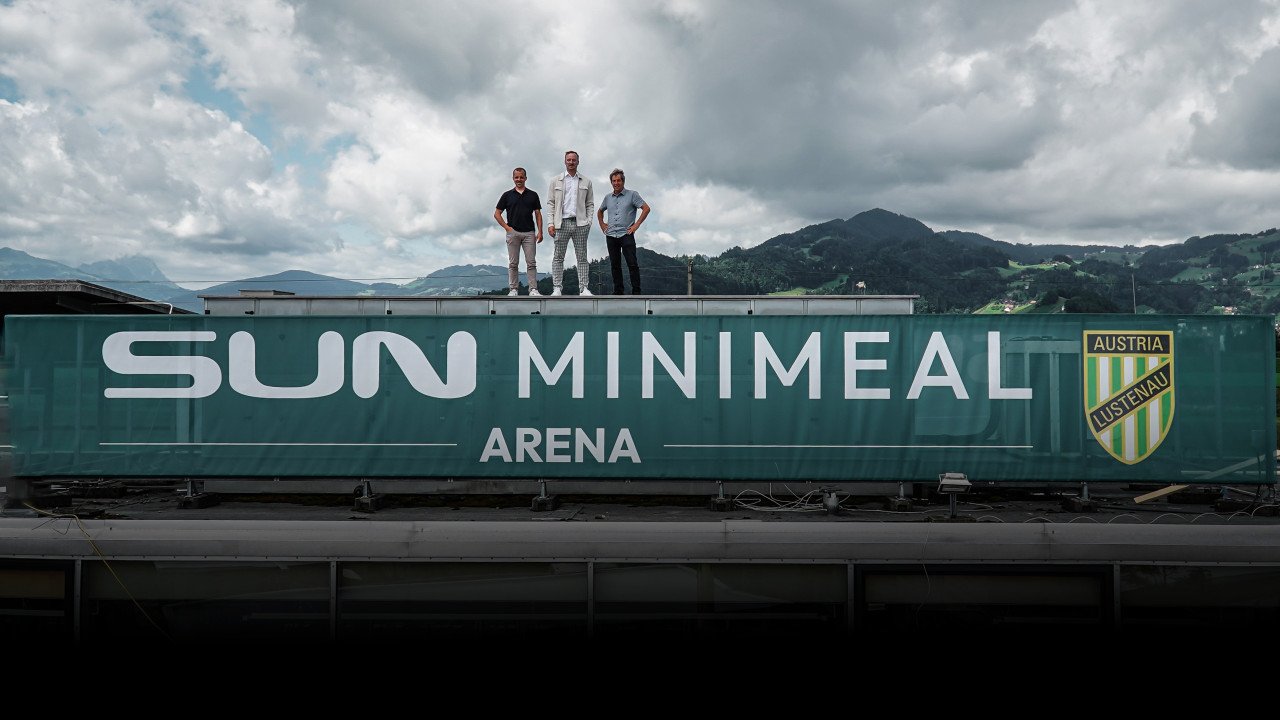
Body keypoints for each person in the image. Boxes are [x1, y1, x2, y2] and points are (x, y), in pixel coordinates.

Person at [545, 150, 595, 296]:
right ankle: (557, 288)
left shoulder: (586, 181)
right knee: (558, 257)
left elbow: (590, 203)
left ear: (578, 162)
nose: (571, 162)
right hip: (561, 223)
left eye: (574, 160)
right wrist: (550, 223)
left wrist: (589, 222)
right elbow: (550, 203)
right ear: (565, 161)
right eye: (569, 160)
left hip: (580, 224)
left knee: (582, 257)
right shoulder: (556, 180)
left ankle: (584, 288)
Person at [597, 168, 651, 295]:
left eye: (618, 180)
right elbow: (600, 211)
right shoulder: (607, 197)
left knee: (632, 264)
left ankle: (636, 292)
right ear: (611, 182)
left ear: (623, 181)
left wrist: (636, 225)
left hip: (626, 234)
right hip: (610, 234)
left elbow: (646, 208)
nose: (616, 183)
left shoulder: (632, 194)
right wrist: (602, 224)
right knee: (615, 265)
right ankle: (618, 291)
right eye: (614, 181)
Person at [494, 167, 543, 296]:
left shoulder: (533, 195)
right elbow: (497, 213)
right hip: (513, 232)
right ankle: (513, 289)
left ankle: (533, 289)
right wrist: (506, 227)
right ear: (513, 178)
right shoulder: (507, 195)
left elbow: (538, 214)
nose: (519, 179)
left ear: (525, 178)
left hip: (529, 233)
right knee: (513, 263)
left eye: (521, 177)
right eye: (516, 177)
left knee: (531, 262)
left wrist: (540, 231)